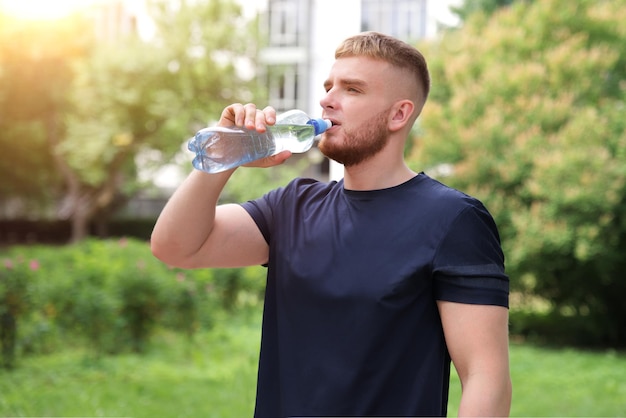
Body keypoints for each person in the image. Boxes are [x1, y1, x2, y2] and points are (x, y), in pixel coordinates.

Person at [151, 31, 512, 417]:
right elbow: (175, 246)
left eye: (352, 89)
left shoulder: (453, 219)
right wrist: (223, 157)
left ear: (399, 114)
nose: (326, 100)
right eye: (328, 87)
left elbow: (484, 377)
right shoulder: (292, 206)